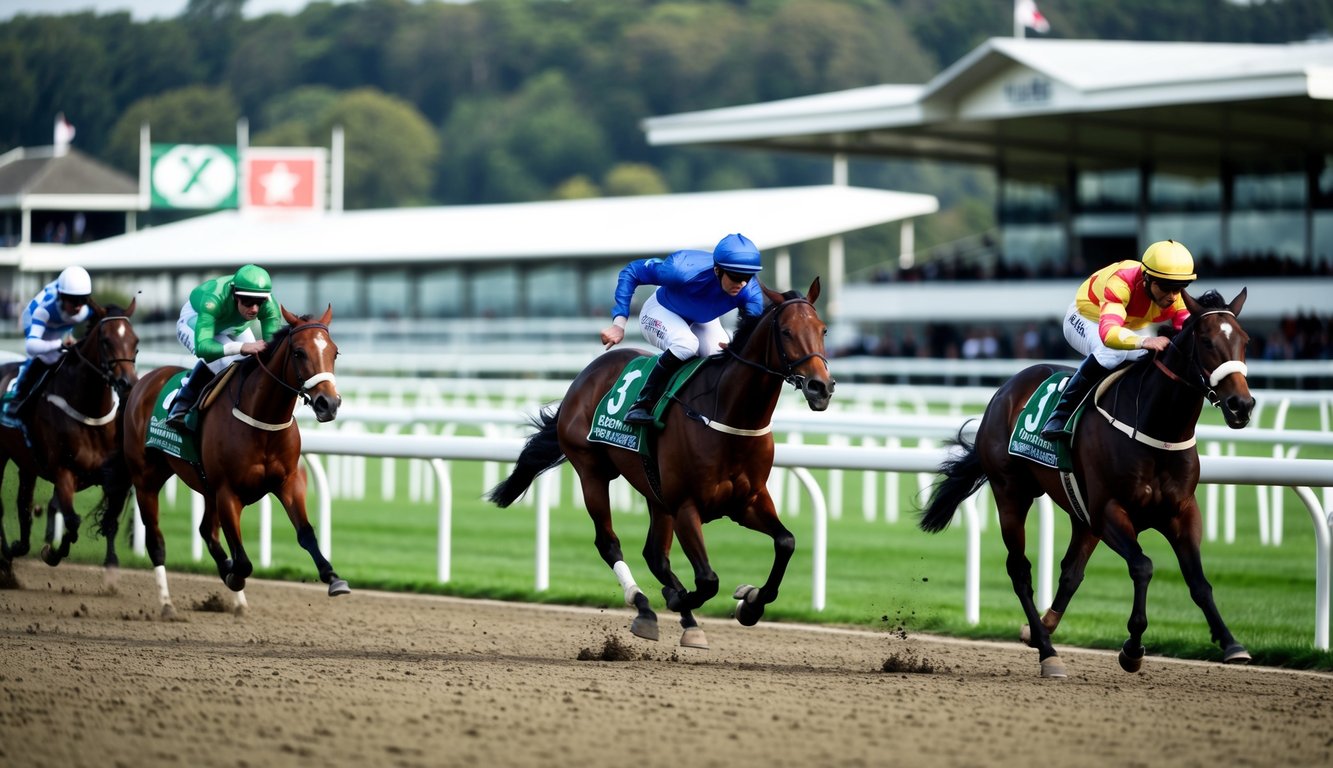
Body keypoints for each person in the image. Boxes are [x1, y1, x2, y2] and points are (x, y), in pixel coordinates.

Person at [600, 233, 765, 426]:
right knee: (686, 344)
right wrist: (619, 324)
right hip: (661, 310)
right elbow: (632, 271)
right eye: (736, 277)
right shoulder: (681, 269)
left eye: (747, 276)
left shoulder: (751, 292)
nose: (742, 284)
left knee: (719, 356)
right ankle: (642, 403)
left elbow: (750, 332)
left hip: (701, 319)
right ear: (717, 270)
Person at [1039, 239, 1196, 441]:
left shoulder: (1176, 298)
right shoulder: (1121, 282)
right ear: (1147, 278)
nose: (1172, 297)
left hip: (1129, 325)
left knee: (1160, 355)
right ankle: (1061, 414)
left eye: (1179, 288)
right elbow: (1109, 334)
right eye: (1166, 287)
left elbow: (1187, 338)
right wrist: (1143, 341)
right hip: (1087, 318)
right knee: (1112, 353)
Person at [165, 264, 283, 429]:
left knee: (253, 361)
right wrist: (241, 347)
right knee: (224, 362)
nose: (254, 309)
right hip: (196, 319)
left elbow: (273, 350)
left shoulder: (269, 305)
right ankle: (182, 401)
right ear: (235, 295)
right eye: (248, 302)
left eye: (259, 302)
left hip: (233, 325)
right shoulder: (214, 298)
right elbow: (204, 348)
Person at [4, 266, 93, 421]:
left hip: (61, 321)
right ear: (62, 297)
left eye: (83, 299)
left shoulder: (85, 310)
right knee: (47, 358)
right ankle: (18, 395)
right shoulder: (43, 310)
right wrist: (58, 344)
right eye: (74, 301)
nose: (79, 306)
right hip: (33, 319)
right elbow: (31, 347)